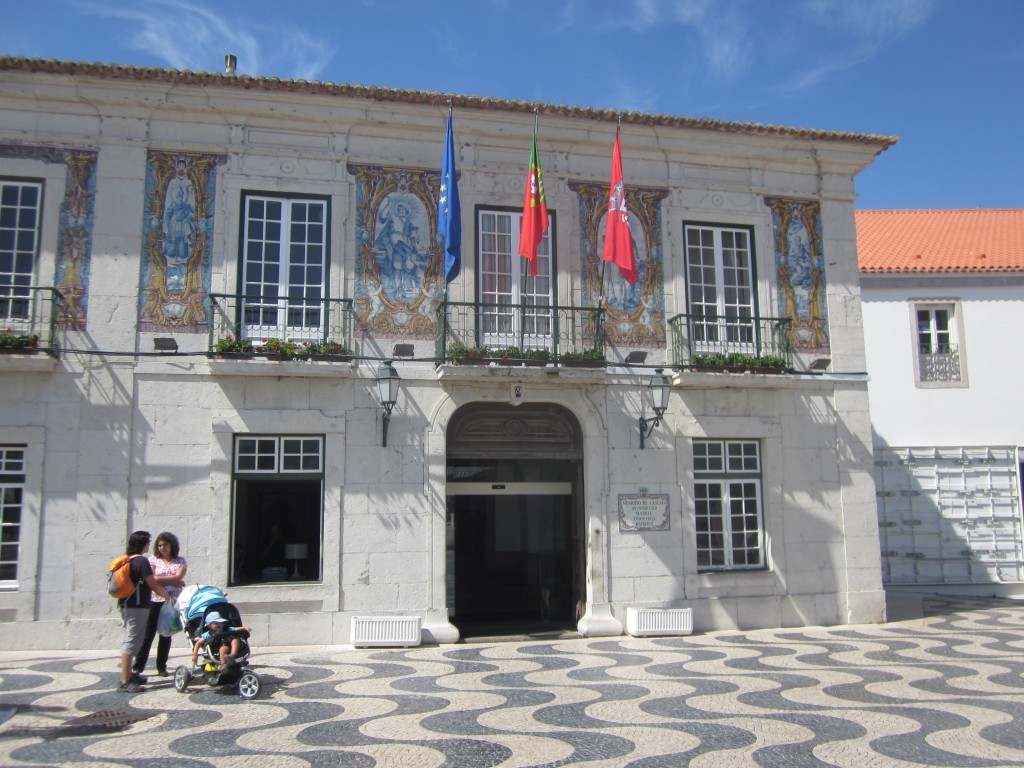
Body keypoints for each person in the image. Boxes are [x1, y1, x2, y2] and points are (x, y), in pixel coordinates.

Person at [117, 530, 172, 692]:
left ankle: (129, 675)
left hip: (127, 604)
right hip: (137, 606)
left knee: (131, 638)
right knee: (132, 640)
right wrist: (167, 597)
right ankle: (124, 680)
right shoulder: (141, 561)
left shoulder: (129, 560)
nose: (150, 544)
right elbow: (152, 584)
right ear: (142, 544)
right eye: (148, 541)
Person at [132, 531, 187, 677]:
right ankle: (138, 666)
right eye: (159, 545)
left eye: (165, 545)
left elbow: (178, 576)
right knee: (147, 635)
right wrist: (174, 581)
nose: (162, 548)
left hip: (171, 602)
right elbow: (152, 579)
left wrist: (164, 578)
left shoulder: (180, 561)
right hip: (154, 600)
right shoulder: (152, 560)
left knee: (166, 635)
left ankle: (161, 666)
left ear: (172, 546)